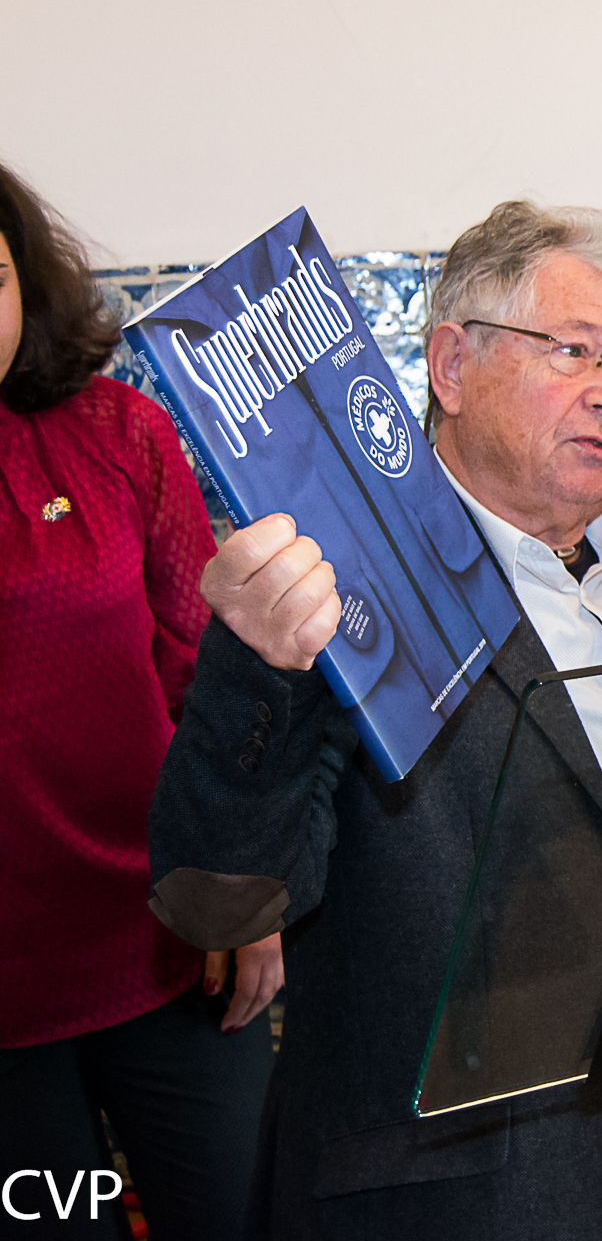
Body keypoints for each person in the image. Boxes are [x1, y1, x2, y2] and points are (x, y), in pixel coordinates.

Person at [146, 200, 602, 1238]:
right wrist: (257, 667)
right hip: (458, 1201)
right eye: (573, 350)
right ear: (452, 366)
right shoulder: (349, 601)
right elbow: (221, 902)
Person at [0, 161, 278, 1239]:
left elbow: (211, 688)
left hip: (169, 948)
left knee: (237, 1216)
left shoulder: (119, 433)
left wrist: (245, 898)